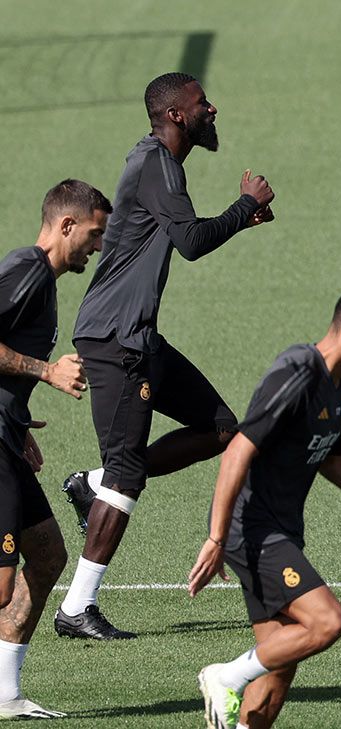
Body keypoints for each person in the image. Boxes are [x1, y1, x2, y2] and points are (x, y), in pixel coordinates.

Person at [55, 72, 276, 640]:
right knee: (129, 477)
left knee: (223, 428)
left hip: (138, 337)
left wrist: (240, 217)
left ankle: (95, 481)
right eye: (203, 103)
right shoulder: (156, 164)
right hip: (116, 341)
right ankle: (77, 608)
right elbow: (192, 242)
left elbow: (188, 234)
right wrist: (244, 206)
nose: (213, 108)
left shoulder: (160, 165)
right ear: (177, 115)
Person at [188, 286, 341, 729]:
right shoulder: (297, 372)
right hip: (253, 529)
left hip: (283, 529)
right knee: (327, 622)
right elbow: (238, 451)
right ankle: (223, 676)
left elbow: (332, 457)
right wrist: (216, 536)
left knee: (281, 662)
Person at [0, 180, 110, 718]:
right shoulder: (27, 270)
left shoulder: (40, 281)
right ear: (66, 225)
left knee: (46, 557)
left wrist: (18, 422)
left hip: (5, 437)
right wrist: (46, 370)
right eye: (93, 235)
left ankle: (5, 696)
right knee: (0, 586)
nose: (97, 247)